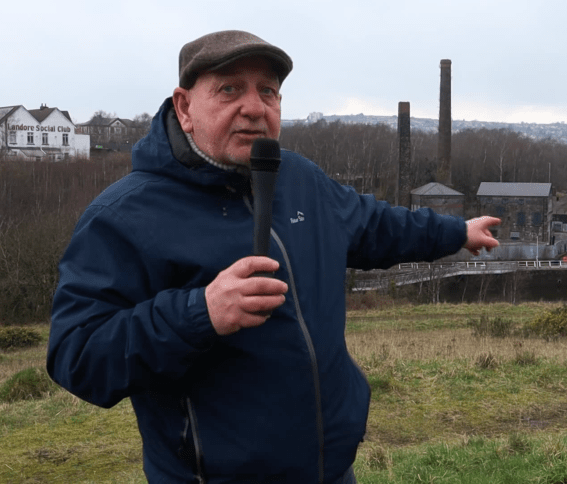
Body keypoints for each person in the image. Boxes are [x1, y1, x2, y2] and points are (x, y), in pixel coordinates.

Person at [47, 30, 500, 484]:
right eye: (229, 89)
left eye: (268, 91)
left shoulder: (299, 178)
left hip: (331, 471)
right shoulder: (124, 216)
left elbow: (374, 225)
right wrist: (199, 312)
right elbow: (77, 354)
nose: (254, 107)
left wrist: (456, 232)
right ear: (184, 107)